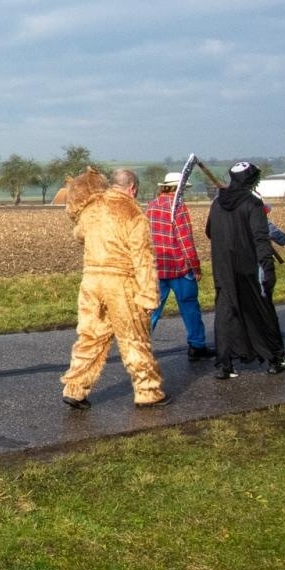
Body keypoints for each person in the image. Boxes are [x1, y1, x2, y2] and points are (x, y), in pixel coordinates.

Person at [57, 167, 169, 409]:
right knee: (134, 338)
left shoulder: (91, 208)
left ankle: (75, 388)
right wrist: (149, 296)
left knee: (90, 337)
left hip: (91, 282)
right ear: (132, 188)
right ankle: (148, 391)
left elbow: (79, 234)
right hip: (121, 284)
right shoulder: (133, 213)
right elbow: (143, 258)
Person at [206, 162, 285, 378]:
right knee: (261, 310)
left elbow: (210, 231)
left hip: (223, 267)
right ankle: (276, 358)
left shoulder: (217, 203)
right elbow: (260, 237)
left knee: (226, 313)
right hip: (250, 266)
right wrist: (267, 267)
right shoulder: (252, 203)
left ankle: (225, 365)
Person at [146, 172, 213, 360]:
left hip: (156, 266)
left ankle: (140, 346)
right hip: (179, 267)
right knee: (189, 306)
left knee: (152, 309)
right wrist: (196, 266)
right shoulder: (178, 208)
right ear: (178, 188)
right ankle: (197, 345)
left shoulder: (150, 206)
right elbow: (185, 241)